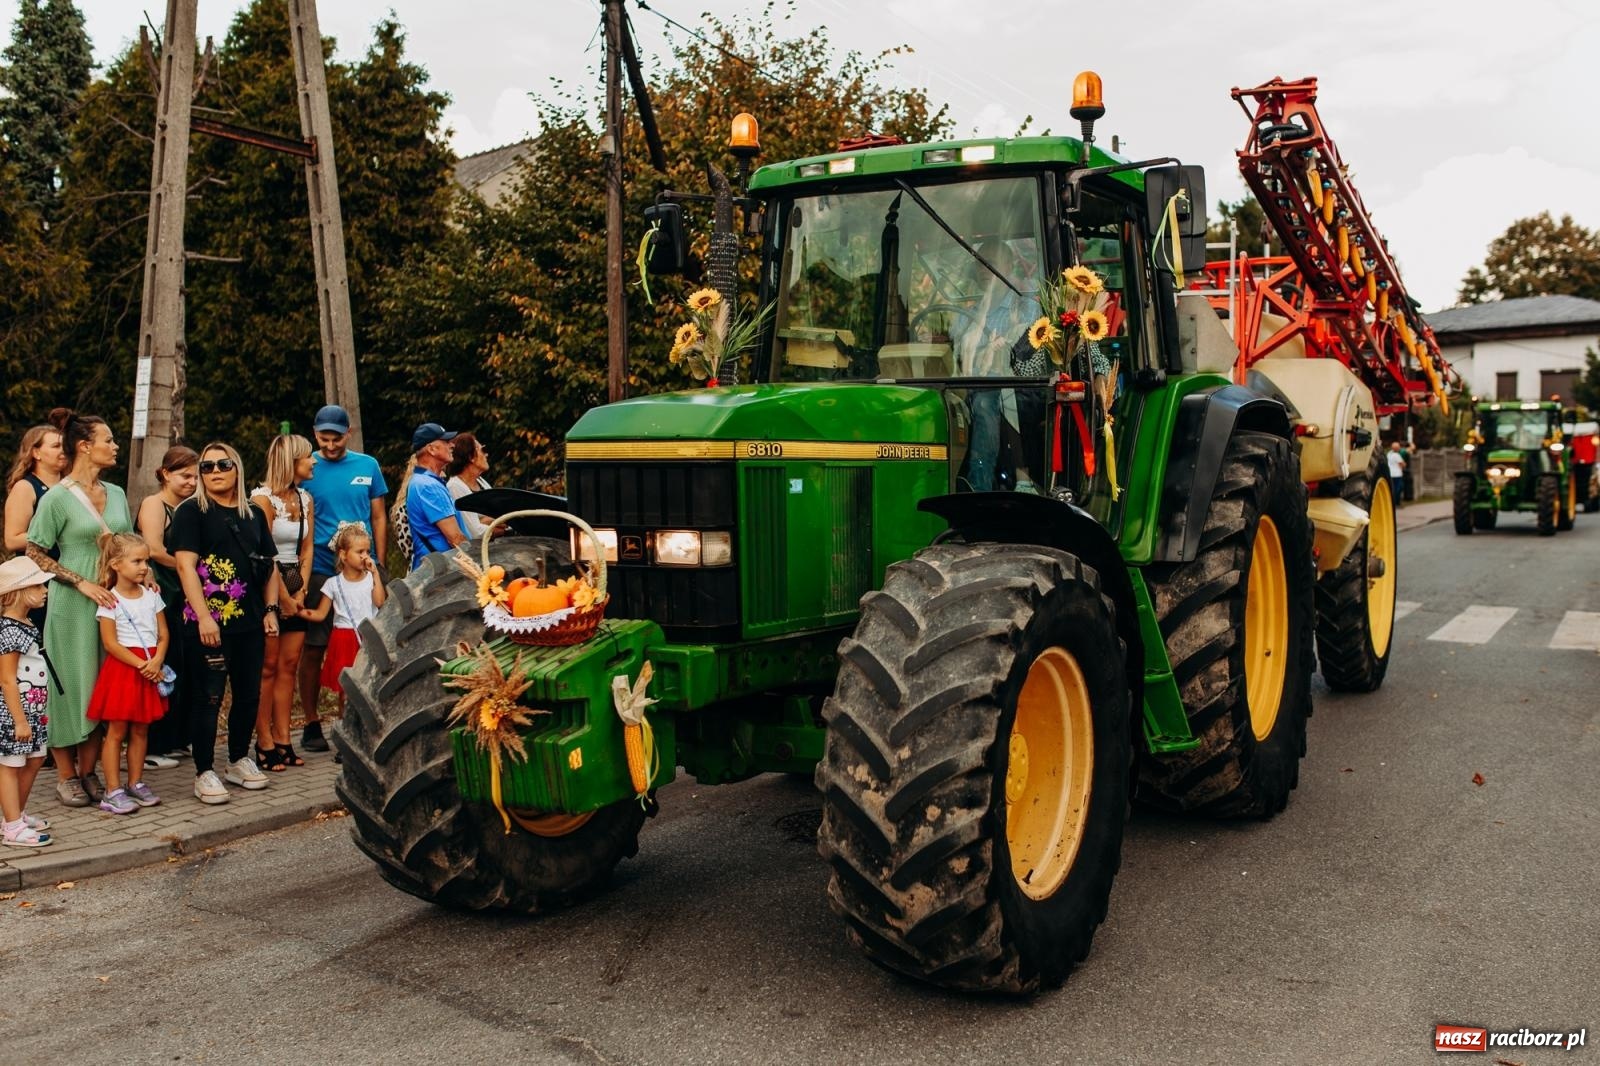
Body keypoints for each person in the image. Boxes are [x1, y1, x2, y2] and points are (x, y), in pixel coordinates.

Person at [25, 409, 130, 809]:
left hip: (115, 602)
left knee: (104, 684)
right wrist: (80, 581)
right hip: (71, 603)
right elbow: (34, 551)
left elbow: (125, 543)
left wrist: (144, 576)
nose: (115, 446)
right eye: (109, 440)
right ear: (86, 446)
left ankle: (89, 773)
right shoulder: (56, 498)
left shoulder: (117, 493)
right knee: (71, 684)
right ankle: (67, 776)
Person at [170, 442, 278, 804]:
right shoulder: (191, 512)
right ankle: (204, 771)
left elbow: (269, 564)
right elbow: (185, 566)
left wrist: (271, 609)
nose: (215, 471)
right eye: (207, 466)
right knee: (208, 697)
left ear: (237, 469)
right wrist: (204, 616)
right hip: (207, 623)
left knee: (248, 694)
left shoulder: (254, 514)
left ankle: (237, 758)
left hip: (249, 619)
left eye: (223, 464)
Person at [297, 405, 386, 754]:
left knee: (367, 643)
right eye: (324, 438)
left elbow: (378, 515)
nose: (331, 445)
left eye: (337, 438)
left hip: (363, 566)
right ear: (315, 435)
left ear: (348, 433)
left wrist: (376, 559)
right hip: (321, 566)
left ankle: (360, 717)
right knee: (316, 645)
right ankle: (310, 721)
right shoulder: (309, 468)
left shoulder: (368, 465)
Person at [86, 532, 169, 815]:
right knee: (117, 731)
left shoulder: (152, 596)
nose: (144, 566)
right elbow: (109, 643)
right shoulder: (110, 601)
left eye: (146, 560)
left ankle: (136, 782)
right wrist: (141, 665)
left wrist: (157, 660)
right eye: (137, 561)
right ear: (116, 564)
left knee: (141, 729)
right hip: (124, 670)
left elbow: (163, 634)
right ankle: (112, 790)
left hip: (149, 666)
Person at [251, 435, 314, 771]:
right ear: (292, 462)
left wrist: (301, 591)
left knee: (289, 666)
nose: (314, 461)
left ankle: (284, 737)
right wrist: (283, 599)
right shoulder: (262, 499)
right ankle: (263, 740)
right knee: (268, 667)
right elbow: (265, 550)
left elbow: (307, 548)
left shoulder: (305, 498)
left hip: (294, 579)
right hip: (268, 581)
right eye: (308, 457)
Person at [136, 446, 199, 770]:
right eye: (184, 475)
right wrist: (195, 569)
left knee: (184, 669)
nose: (192, 482)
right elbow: (154, 549)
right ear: (164, 474)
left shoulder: (189, 507)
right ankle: (153, 746)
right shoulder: (154, 504)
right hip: (162, 592)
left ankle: (176, 737)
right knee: (164, 668)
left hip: (183, 596)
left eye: (194, 476)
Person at [298, 522, 385, 721]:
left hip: (368, 636)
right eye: (359, 551)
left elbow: (380, 602)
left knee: (370, 687)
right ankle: (346, 729)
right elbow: (320, 614)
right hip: (344, 639)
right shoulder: (333, 584)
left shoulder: (370, 579)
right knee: (346, 692)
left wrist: (376, 574)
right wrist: (299, 611)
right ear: (343, 554)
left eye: (367, 551)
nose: (365, 556)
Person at [0, 556, 54, 848]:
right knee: (10, 764)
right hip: (14, 712)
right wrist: (19, 719)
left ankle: (15, 815)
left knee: (34, 759)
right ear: (19, 591)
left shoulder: (26, 623)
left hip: (33, 709)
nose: (45, 590)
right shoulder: (8, 629)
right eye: (39, 585)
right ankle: (12, 827)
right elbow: (7, 679)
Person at [5, 425, 68, 632]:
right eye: (56, 446)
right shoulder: (26, 487)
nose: (63, 450)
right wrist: (54, 533)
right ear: (36, 452)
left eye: (64, 445)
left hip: (70, 573)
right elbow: (12, 539)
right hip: (38, 578)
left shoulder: (70, 487)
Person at [405, 422, 469, 569]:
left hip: (435, 569)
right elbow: (455, 538)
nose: (452, 445)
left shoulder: (421, 480)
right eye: (446, 442)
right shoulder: (429, 486)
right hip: (441, 573)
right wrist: (477, 566)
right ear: (432, 449)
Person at [445, 432, 494, 540]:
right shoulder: (455, 486)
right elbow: (474, 533)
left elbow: (501, 514)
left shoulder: (481, 482)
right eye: (482, 450)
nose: (486, 455)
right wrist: (497, 523)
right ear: (471, 456)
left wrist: (485, 522)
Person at [1386, 442, 1406, 507]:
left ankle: (1391, 502)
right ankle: (1397, 503)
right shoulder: (1397, 455)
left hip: (1390, 474)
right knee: (1398, 489)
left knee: (1392, 489)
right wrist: (1404, 464)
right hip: (1397, 474)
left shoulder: (1388, 454)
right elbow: (1402, 464)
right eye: (1399, 447)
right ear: (1397, 448)